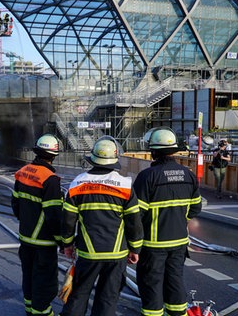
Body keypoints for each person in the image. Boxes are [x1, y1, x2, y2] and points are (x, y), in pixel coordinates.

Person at [60, 136, 143, 316]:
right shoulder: (125, 185)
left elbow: (67, 221)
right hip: (116, 255)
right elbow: (134, 222)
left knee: (78, 296)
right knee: (107, 299)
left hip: (88, 253)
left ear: (92, 158)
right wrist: (135, 248)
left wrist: (67, 245)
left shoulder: (77, 184)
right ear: (114, 159)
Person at [133, 127, 202, 316]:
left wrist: (133, 246)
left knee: (151, 284)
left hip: (153, 244)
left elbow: (136, 214)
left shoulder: (147, 177)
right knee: (175, 281)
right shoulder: (188, 175)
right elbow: (196, 208)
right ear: (174, 150)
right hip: (179, 243)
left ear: (153, 151)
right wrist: (180, 219)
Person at [12, 134, 64, 316]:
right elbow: (54, 216)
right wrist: (63, 240)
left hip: (25, 240)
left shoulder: (23, 172)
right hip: (43, 243)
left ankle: (30, 310)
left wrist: (26, 223)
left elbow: (16, 205)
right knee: (45, 283)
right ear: (53, 155)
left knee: (29, 278)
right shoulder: (50, 180)